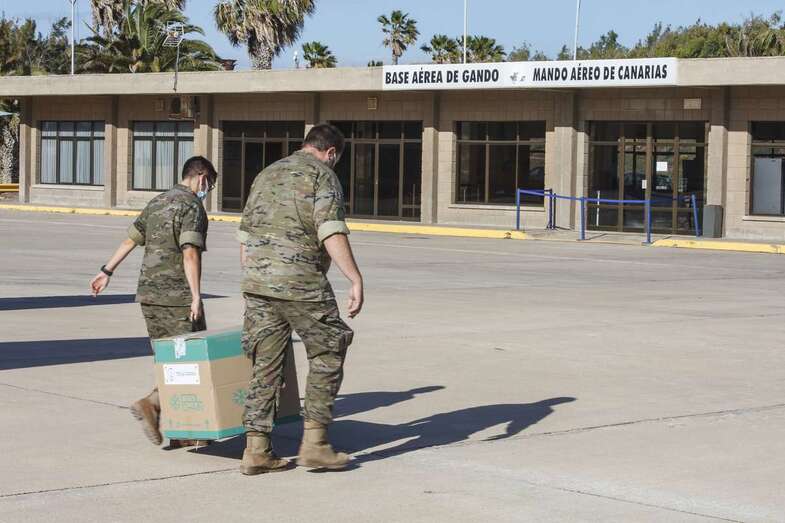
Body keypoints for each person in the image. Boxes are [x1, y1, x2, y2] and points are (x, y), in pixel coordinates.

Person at [237, 123, 363, 474]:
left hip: (257, 280)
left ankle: (256, 449)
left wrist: (257, 278)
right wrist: (355, 278)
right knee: (329, 347)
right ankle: (316, 444)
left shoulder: (267, 174)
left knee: (266, 362)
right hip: (299, 280)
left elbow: (245, 236)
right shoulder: (323, 175)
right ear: (331, 152)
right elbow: (330, 230)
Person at [90, 156, 218, 449]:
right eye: (209, 182)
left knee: (168, 363)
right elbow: (189, 252)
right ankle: (153, 405)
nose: (207, 189)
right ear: (201, 178)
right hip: (177, 298)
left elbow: (130, 240)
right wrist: (196, 295)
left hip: (149, 295)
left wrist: (106, 271)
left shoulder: (158, 201)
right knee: (188, 363)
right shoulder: (191, 206)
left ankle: (182, 431)